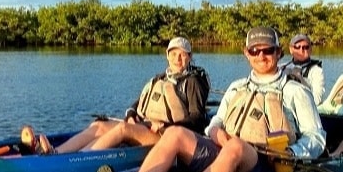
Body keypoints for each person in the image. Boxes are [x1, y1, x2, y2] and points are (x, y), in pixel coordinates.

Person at [94, 26, 326, 172]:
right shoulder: (236, 88)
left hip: (265, 163)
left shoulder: (295, 91)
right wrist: (216, 133)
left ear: (278, 53)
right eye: (255, 51)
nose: (261, 56)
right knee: (175, 133)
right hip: (226, 152)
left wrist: (294, 153)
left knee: (235, 145)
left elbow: (316, 137)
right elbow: (215, 123)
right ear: (246, 54)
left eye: (268, 50)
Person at [20, 37, 211, 155]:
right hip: (145, 128)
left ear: (190, 57)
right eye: (174, 53)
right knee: (99, 125)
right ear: (167, 55)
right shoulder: (159, 79)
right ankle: (56, 153)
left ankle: (74, 160)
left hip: (166, 136)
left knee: (122, 129)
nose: (178, 58)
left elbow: (197, 120)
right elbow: (136, 105)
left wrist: (166, 126)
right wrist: (130, 115)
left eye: (184, 54)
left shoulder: (193, 82)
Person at [280, 32, 325, 105]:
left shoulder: (316, 70)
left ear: (310, 50)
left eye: (305, 47)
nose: (301, 50)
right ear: (291, 50)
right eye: (297, 47)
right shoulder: (282, 67)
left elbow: (317, 99)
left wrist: (300, 79)